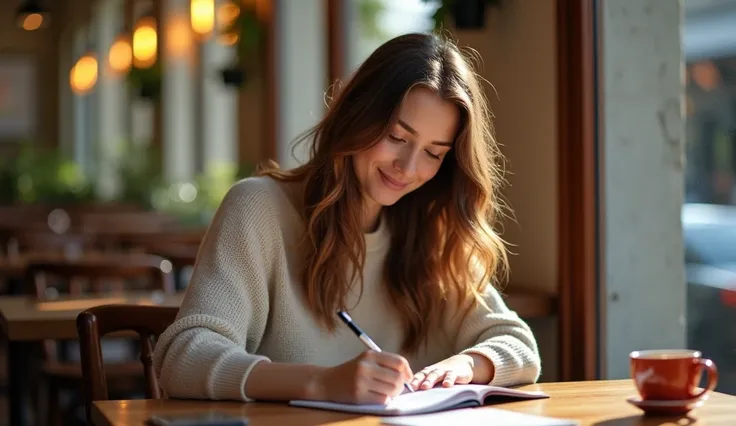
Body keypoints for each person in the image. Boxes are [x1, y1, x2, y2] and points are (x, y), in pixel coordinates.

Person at [153, 32, 541, 405]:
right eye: (397, 137)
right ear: (357, 115)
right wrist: (320, 382)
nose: (408, 167)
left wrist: (465, 366)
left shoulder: (434, 232)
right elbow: (183, 357)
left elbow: (518, 345)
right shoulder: (259, 208)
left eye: (434, 153)